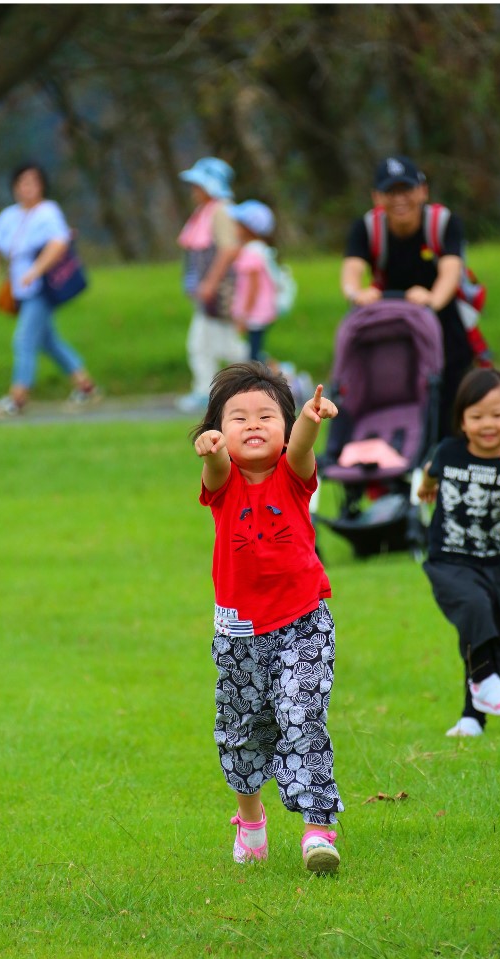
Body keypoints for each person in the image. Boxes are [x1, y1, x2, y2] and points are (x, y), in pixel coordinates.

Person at [191, 363, 344, 874]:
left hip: (303, 622)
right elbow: (215, 472)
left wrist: (309, 418)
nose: (253, 424)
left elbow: (302, 447)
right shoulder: (224, 481)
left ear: (282, 430)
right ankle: (250, 820)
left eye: (266, 416)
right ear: (217, 431)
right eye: (237, 418)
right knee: (242, 730)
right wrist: (212, 453)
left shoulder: (293, 477)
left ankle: (319, 829)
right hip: (239, 633)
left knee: (302, 717)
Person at [415, 370, 500, 738]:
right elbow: (430, 473)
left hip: (496, 562)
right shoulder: (449, 452)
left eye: (498, 415)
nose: (488, 424)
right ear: (463, 421)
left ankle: (473, 715)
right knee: (474, 608)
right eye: (477, 416)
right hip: (448, 560)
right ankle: (484, 682)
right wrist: (425, 488)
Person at [341, 156, 478, 443]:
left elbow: (451, 270)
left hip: (443, 326)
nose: (400, 199)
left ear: (422, 191)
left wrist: (431, 301)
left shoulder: (444, 223)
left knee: (452, 403)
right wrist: (358, 294)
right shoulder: (366, 228)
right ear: (377, 197)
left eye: (407, 190)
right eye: (391, 192)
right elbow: (352, 271)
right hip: (394, 330)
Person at [0, 162, 101, 418]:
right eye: (23, 182)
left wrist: (36, 270)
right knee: (48, 341)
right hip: (21, 291)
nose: (28, 188)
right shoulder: (9, 215)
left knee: (24, 340)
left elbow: (58, 243)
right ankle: (86, 387)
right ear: (15, 187)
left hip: (41, 289)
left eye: (33, 182)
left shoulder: (47, 212)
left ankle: (17, 398)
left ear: (41, 185)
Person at [177, 157, 249, 413]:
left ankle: (274, 378)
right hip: (209, 293)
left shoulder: (221, 211)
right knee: (207, 342)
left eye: (199, 185)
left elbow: (229, 249)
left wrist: (210, 282)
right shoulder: (205, 212)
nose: (194, 191)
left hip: (221, 291)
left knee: (222, 345)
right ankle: (207, 389)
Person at [228, 200, 283, 364]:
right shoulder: (259, 249)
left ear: (248, 228)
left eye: (237, 225)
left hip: (255, 312)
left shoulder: (252, 252)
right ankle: (278, 376)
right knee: (255, 352)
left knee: (253, 355)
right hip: (261, 310)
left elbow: (252, 288)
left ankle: (283, 379)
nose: (235, 229)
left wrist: (243, 315)